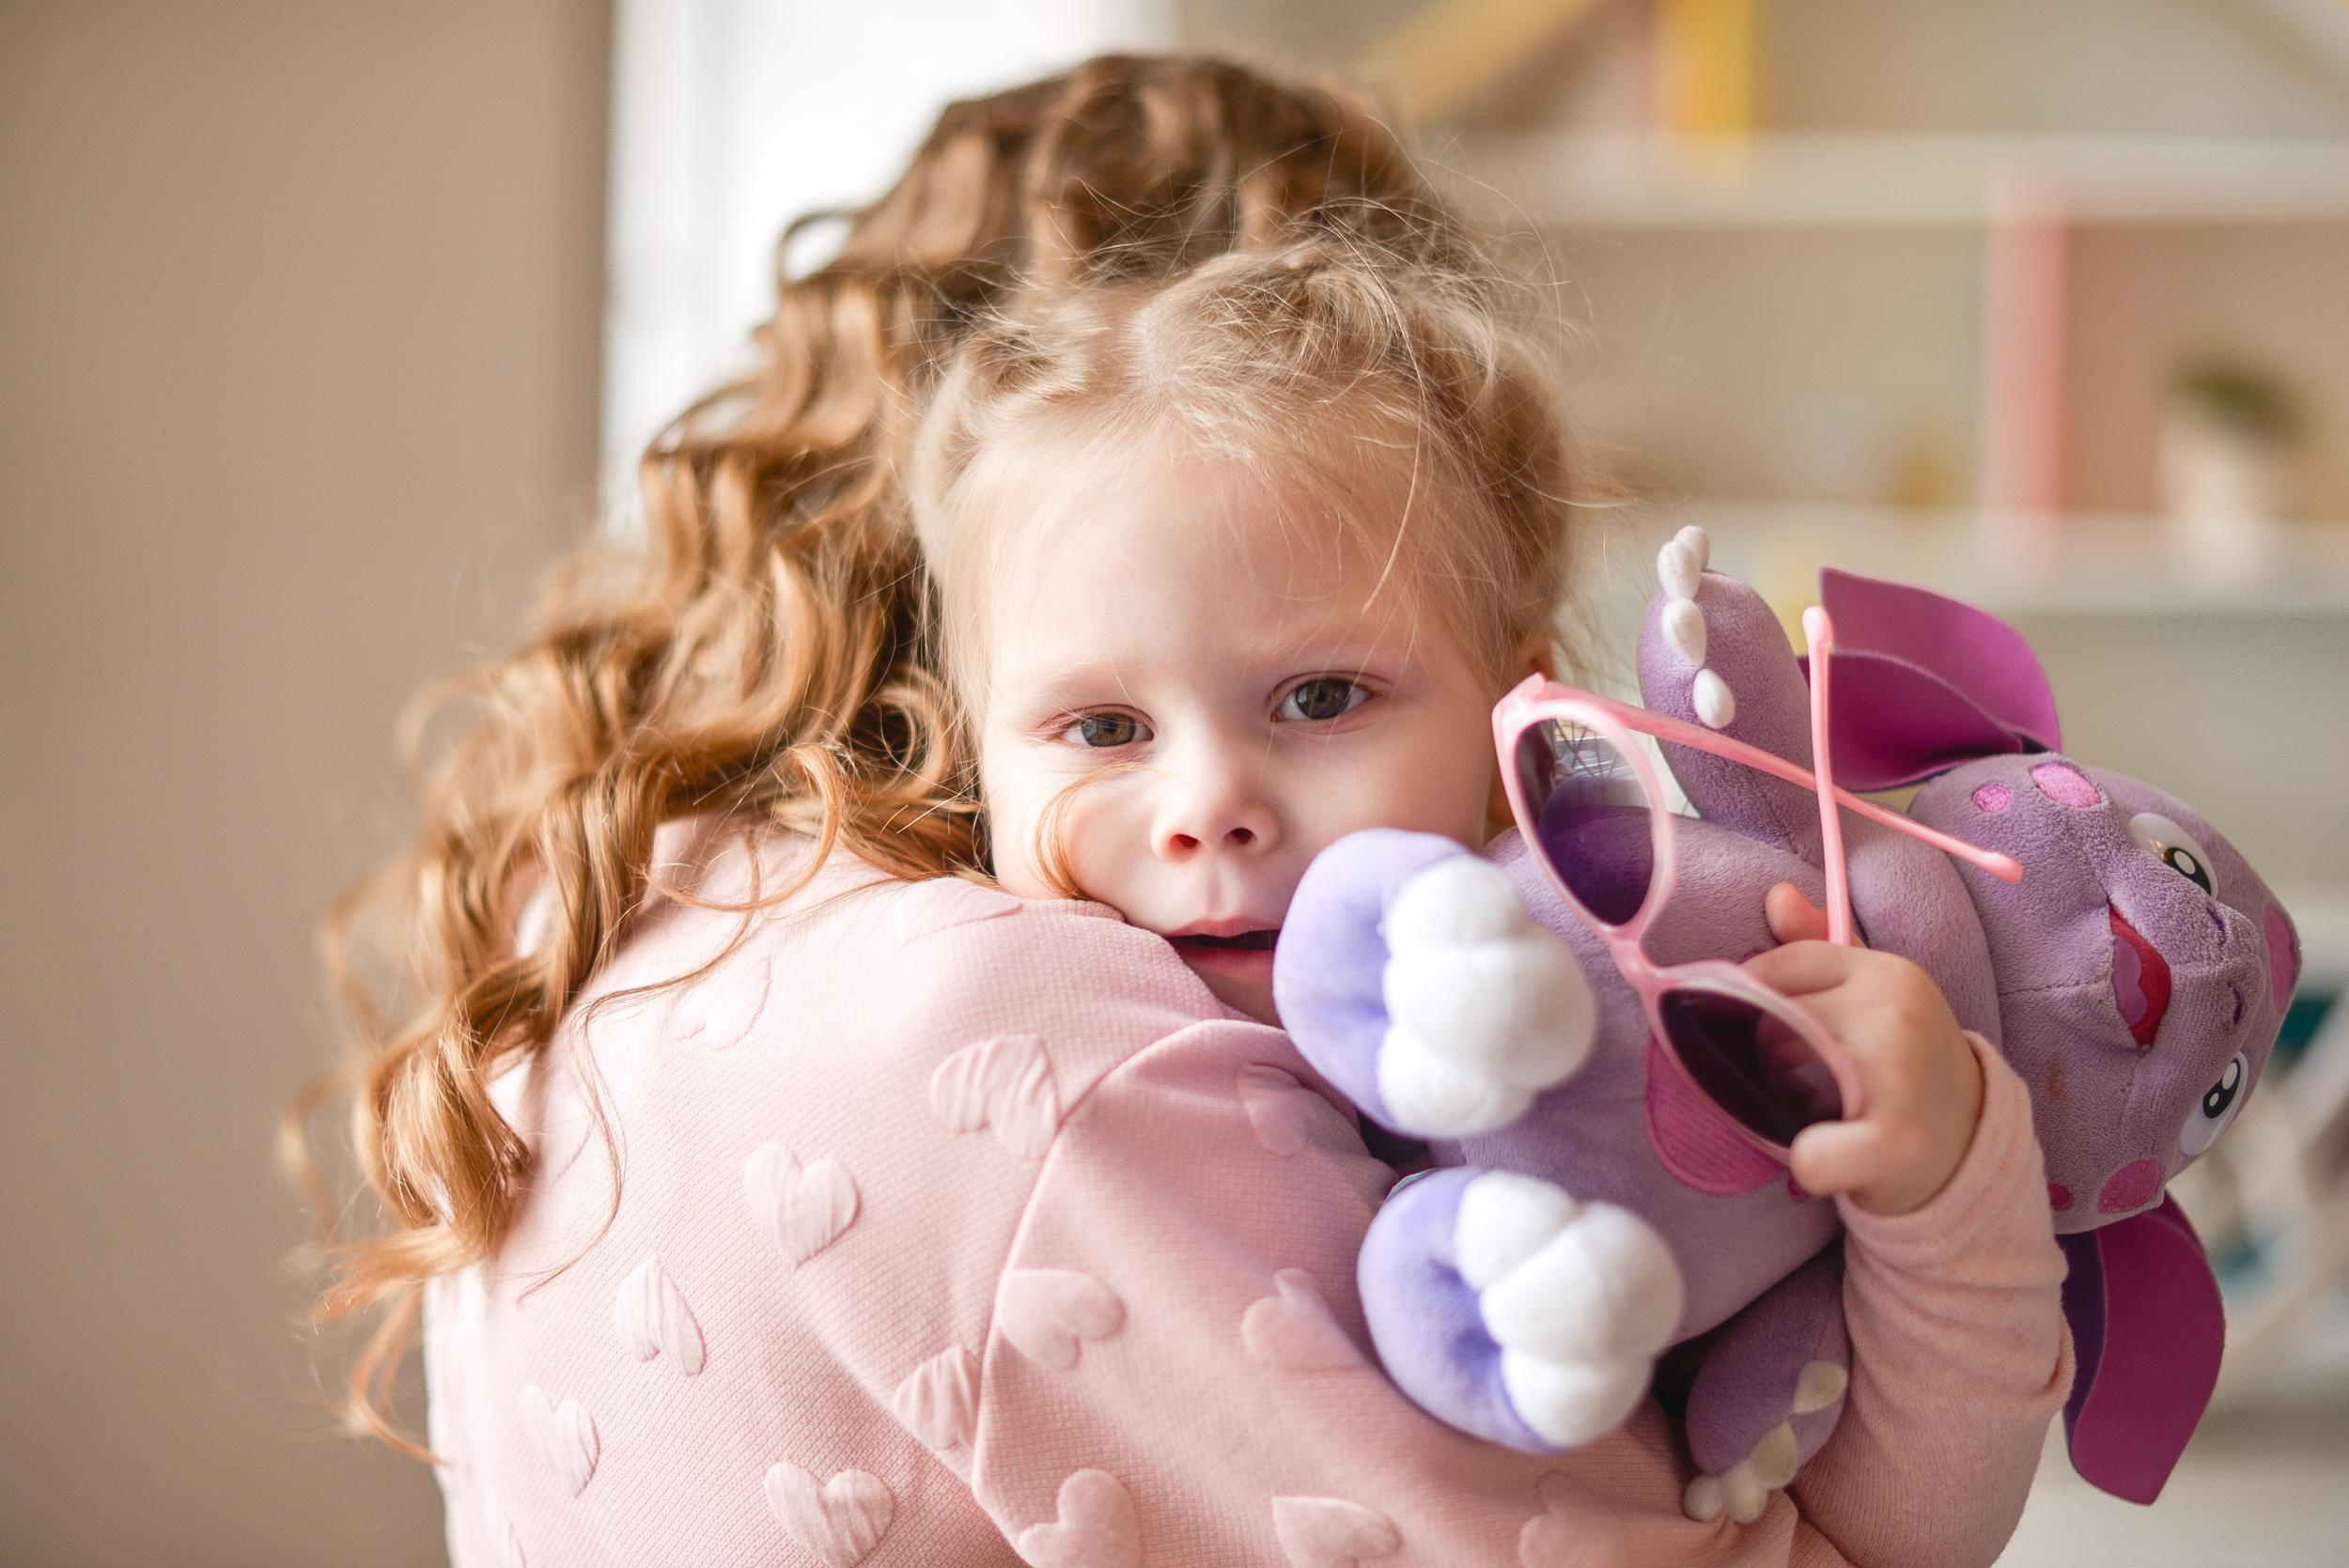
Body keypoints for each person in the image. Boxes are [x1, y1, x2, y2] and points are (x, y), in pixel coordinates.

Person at [295, 53, 2070, 1567]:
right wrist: (1959, 1212)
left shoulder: (608, 900)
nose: (1212, 800)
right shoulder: (1047, 1048)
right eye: (1105, 720)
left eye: (1319, 690)